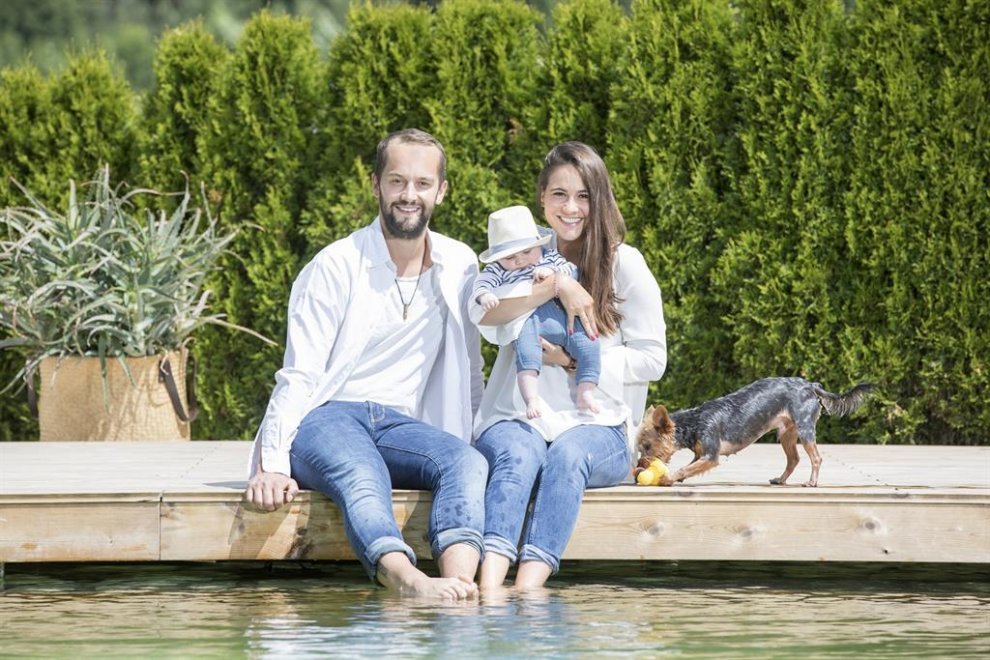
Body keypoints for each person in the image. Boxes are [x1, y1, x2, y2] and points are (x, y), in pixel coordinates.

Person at [244, 128, 487, 601]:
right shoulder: (335, 265)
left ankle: (460, 584)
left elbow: (470, 366)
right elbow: (299, 373)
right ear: (376, 184)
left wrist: (474, 433)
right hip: (328, 419)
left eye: (422, 183)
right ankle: (404, 577)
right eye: (397, 181)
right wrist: (271, 463)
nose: (409, 194)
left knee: (467, 461)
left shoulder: (459, 264)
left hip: (400, 425)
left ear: (441, 191)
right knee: (362, 471)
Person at [471, 141, 667, 591]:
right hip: (520, 417)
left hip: (597, 426)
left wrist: (572, 361)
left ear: (600, 200)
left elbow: (653, 359)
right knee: (518, 455)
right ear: (542, 197)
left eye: (584, 196)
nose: (571, 208)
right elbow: (489, 324)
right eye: (559, 194)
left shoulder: (625, 263)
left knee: (566, 454)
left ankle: (529, 591)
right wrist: (559, 284)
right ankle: (488, 593)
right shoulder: (517, 258)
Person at [473, 204, 601, 419]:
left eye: (526, 252)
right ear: (497, 258)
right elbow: (481, 284)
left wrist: (552, 272)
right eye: (509, 257)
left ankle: (586, 390)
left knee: (589, 344)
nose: (519, 260)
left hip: (562, 318)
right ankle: (531, 399)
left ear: (538, 245)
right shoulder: (497, 270)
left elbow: (571, 269)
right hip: (528, 321)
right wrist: (485, 296)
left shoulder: (548, 257)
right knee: (527, 357)